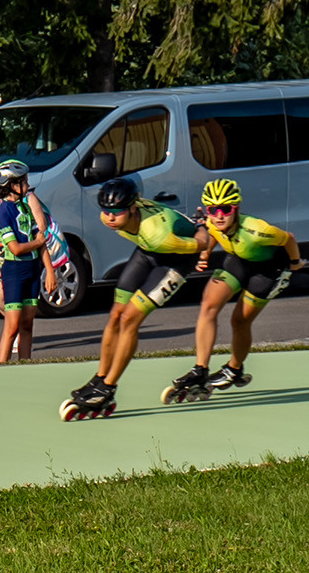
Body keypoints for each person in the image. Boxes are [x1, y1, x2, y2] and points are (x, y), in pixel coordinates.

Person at [60, 177, 203, 420]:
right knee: (116, 315)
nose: (110, 217)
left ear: (133, 208)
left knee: (129, 319)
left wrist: (203, 234)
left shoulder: (159, 233)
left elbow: (202, 242)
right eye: (106, 211)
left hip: (175, 258)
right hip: (147, 250)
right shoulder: (113, 217)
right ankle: (100, 378)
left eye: (117, 212)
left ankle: (108, 388)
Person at [169, 177, 307, 401]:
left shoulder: (257, 230)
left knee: (239, 321)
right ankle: (200, 369)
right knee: (208, 305)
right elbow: (212, 232)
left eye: (226, 209)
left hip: (268, 271)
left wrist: (295, 262)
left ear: (237, 209)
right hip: (239, 260)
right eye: (213, 210)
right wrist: (205, 254)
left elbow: (288, 238)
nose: (219, 216)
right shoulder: (212, 221)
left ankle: (234, 369)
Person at [0, 161, 57, 363]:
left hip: (32, 269)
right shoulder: (3, 211)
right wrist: (37, 242)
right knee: (12, 326)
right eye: (24, 182)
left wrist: (50, 270)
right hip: (14, 271)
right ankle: (0, 367)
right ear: (12, 185)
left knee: (27, 324)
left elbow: (40, 240)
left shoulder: (25, 207)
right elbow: (16, 248)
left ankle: (26, 365)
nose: (28, 185)